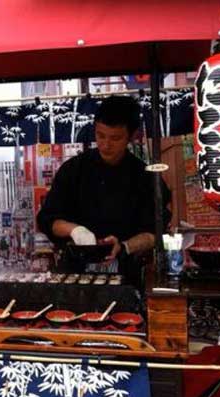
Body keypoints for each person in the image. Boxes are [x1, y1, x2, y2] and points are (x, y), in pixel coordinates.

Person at [36, 95, 171, 272]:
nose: (106, 145)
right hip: (75, 272)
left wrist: (125, 246)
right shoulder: (73, 169)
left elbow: (157, 231)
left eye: (115, 138)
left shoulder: (144, 176)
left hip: (127, 272)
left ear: (131, 137)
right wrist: (75, 230)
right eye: (100, 135)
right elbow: (47, 219)